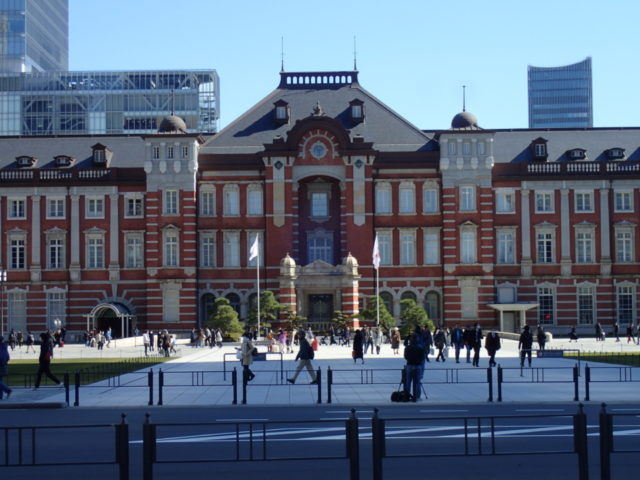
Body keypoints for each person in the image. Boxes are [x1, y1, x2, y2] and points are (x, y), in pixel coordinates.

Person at [403, 334, 425, 402]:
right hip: (417, 366)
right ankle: (416, 397)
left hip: (409, 365)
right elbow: (422, 357)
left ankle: (407, 396)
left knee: (408, 382)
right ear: (417, 339)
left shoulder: (408, 347)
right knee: (417, 382)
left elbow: (405, 356)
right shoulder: (420, 347)